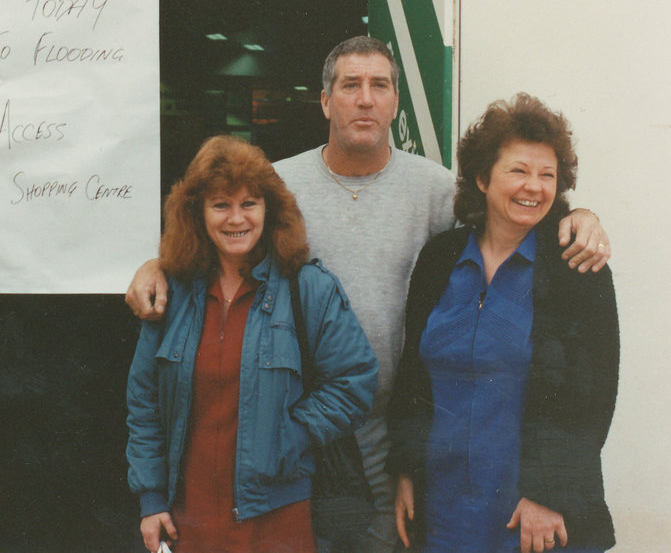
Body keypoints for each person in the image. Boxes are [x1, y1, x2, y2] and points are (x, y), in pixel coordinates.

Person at [125, 36, 612, 553]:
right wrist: (159, 265)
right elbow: (219, 235)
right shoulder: (276, 185)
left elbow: (513, 208)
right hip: (307, 434)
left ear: (394, 102)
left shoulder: (436, 190)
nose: (365, 98)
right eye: (350, 85)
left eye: (379, 85)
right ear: (325, 100)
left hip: (392, 434)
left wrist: (577, 215)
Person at [387, 94, 618, 553]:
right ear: (482, 178)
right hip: (444, 510)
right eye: (519, 171)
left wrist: (548, 495)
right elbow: (413, 376)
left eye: (547, 175)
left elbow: (591, 396)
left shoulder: (576, 267)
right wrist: (407, 471)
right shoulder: (439, 260)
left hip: (535, 518)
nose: (533, 187)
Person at [126, 135, 379, 553]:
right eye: (220, 204)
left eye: (249, 203)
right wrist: (151, 499)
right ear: (198, 213)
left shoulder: (308, 288)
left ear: (270, 209)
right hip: (188, 516)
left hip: (280, 514)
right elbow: (144, 401)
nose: (235, 218)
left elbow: (356, 380)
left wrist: (292, 433)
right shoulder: (172, 293)